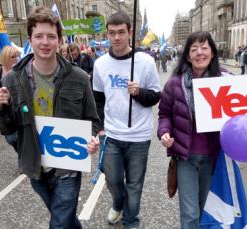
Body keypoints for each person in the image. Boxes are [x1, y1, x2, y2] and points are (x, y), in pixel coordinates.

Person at [0, 6, 99, 229]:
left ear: (59, 40)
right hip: (35, 165)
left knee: (59, 223)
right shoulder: (13, 79)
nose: (45, 42)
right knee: (65, 218)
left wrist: (91, 138)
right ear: (30, 38)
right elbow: (7, 128)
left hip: (67, 165)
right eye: (39, 36)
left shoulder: (79, 77)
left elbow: (93, 119)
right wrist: (0, 107)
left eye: (51, 36)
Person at [87, 11, 161, 229]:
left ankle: (131, 221)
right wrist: (99, 129)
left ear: (130, 32)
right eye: (112, 33)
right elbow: (97, 101)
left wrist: (139, 93)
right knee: (112, 180)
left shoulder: (145, 62)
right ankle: (118, 202)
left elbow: (155, 96)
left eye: (121, 32)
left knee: (135, 185)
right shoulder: (100, 64)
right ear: (107, 34)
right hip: (112, 134)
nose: (117, 37)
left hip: (139, 136)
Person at [157, 31, 229, 229]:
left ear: (212, 53)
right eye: (194, 49)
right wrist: (164, 132)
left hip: (214, 157)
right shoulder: (174, 84)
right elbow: (164, 115)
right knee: (189, 214)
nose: (200, 53)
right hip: (185, 157)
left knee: (203, 208)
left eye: (204, 47)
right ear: (187, 56)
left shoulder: (225, 81)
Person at [0, 45, 21, 152]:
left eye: (17, 56)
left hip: (19, 110)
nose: (16, 59)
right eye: (13, 56)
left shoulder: (19, 72)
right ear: (6, 57)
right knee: (12, 139)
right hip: (5, 113)